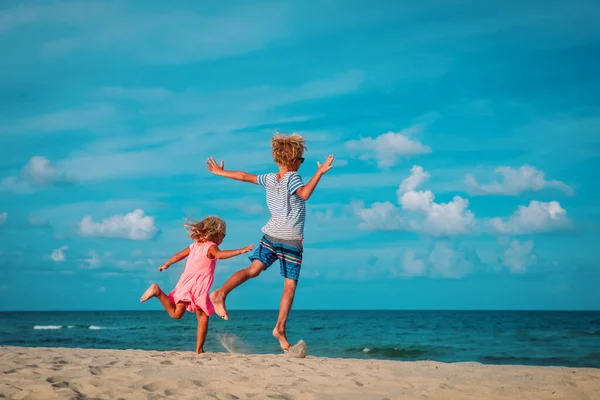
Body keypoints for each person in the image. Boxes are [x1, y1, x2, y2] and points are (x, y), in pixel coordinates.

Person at [206, 132, 334, 353]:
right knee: (290, 286)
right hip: (290, 240)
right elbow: (303, 195)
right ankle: (280, 329)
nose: (301, 164)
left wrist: (219, 172)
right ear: (293, 161)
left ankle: (220, 293)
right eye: (301, 160)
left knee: (253, 269)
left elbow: (244, 176)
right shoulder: (293, 177)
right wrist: (320, 172)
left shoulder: (269, 178)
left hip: (270, 235)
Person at [140, 216, 254, 354]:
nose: (223, 239)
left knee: (177, 314)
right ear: (216, 233)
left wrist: (166, 264)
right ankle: (199, 350)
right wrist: (239, 251)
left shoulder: (193, 246)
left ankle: (157, 292)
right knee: (203, 317)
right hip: (198, 286)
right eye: (223, 235)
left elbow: (177, 256)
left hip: (186, 283)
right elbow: (220, 255)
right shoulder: (211, 246)